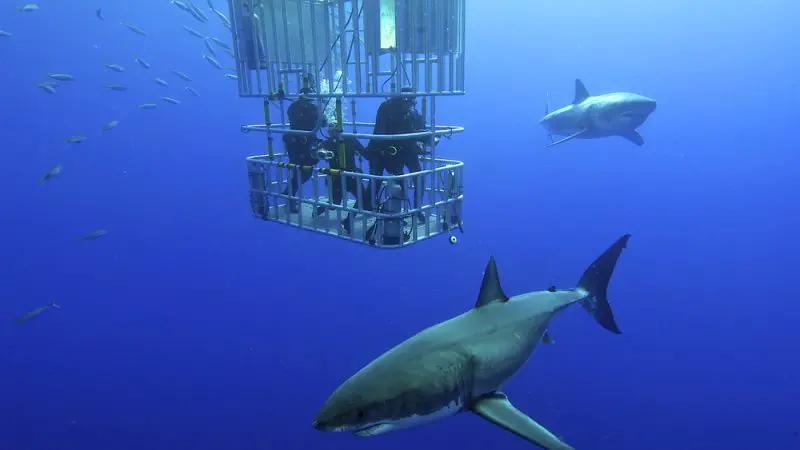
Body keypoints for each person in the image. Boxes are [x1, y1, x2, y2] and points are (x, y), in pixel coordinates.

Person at [365, 86, 428, 222]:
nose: (410, 104)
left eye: (412, 102)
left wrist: (426, 140)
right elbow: (380, 133)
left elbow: (423, 132)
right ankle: (370, 207)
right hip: (384, 149)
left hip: (405, 148)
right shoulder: (387, 108)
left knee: (419, 177)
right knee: (377, 179)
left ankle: (417, 209)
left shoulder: (414, 114)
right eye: (407, 101)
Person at [281, 88, 320, 213]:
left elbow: (319, 124)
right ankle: (290, 197)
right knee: (298, 169)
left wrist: (322, 120)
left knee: (307, 171)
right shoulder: (294, 107)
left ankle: (288, 193)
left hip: (309, 141)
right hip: (295, 142)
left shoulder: (314, 108)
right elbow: (297, 121)